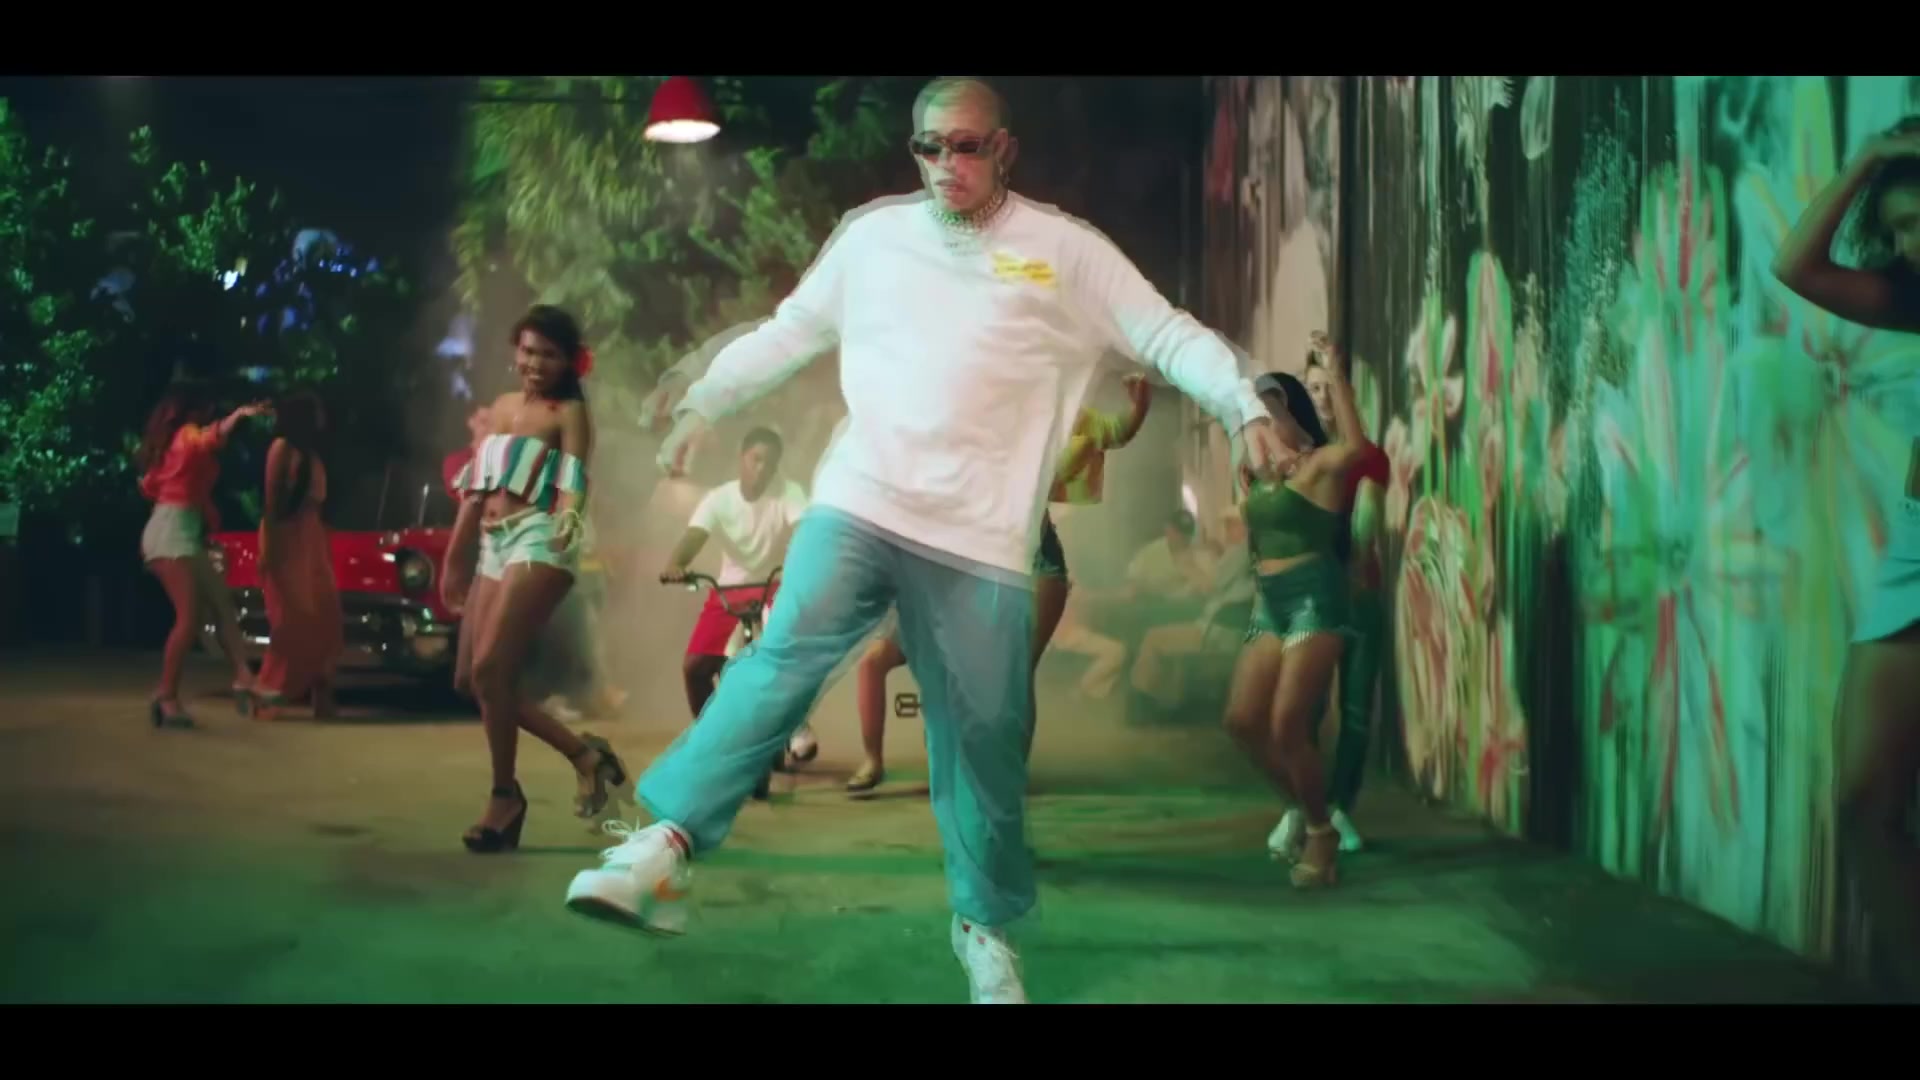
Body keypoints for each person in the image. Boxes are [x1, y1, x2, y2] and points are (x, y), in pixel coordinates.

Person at [561, 76, 1287, 1005]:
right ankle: (663, 848)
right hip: (860, 503)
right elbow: (787, 332)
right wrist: (705, 400)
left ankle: (985, 931)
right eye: (929, 146)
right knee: (782, 655)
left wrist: (1241, 403)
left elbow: (1168, 335)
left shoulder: (1066, 254)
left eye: (967, 145)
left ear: (1005, 149)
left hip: (984, 542)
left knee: (984, 738)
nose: (947, 163)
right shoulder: (873, 239)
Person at [1772, 117, 1920, 999]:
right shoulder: (1912, 298)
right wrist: (1868, 159)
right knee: (1865, 796)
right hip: (1915, 555)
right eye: (1899, 230)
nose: (1910, 247)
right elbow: (1796, 266)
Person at [847, 378, 1153, 794]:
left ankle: (1005, 772)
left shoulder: (1053, 424)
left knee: (1015, 670)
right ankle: (893, 759)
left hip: (1034, 565)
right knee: (902, 663)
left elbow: (1114, 431)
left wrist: (1138, 408)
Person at [441, 305, 630, 854]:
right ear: (514, 351)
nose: (535, 363)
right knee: (471, 681)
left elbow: (573, 481)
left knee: (490, 671)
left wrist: (569, 521)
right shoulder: (502, 407)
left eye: (548, 354)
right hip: (492, 543)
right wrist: (455, 557)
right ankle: (586, 757)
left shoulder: (569, 412)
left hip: (539, 536)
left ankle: (504, 797)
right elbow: (476, 488)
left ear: (569, 361)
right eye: (527, 351)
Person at [1221, 345, 1372, 889]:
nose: (1260, 421)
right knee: (1242, 721)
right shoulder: (1256, 475)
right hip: (1270, 601)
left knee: (1287, 724)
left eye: (1270, 410)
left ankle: (1320, 834)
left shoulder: (1319, 467)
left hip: (1315, 598)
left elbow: (1357, 448)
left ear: (1290, 411)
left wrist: (1336, 375)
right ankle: (1312, 813)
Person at [1267, 344, 1391, 855]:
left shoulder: (1365, 458)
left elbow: (1367, 525)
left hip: (1358, 596)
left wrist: (1353, 556)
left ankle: (1340, 809)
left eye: (1328, 387)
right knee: (1305, 712)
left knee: (1356, 712)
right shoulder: (1294, 459)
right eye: (1312, 388)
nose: (1320, 397)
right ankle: (1304, 807)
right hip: (1312, 599)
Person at [660, 426, 811, 797]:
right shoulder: (718, 499)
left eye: (769, 463)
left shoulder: (789, 492)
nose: (762, 469)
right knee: (695, 667)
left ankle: (794, 725)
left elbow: (804, 528)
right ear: (741, 458)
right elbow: (693, 537)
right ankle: (711, 741)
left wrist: (807, 554)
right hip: (729, 590)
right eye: (756, 459)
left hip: (774, 585)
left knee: (779, 650)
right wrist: (676, 564)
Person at [136, 381, 270, 727]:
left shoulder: (171, 444)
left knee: (222, 604)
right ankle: (166, 695)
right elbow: (208, 438)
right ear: (194, 409)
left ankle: (244, 676)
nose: (211, 412)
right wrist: (238, 416)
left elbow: (152, 486)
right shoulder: (187, 435)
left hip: (180, 530)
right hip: (171, 534)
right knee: (189, 618)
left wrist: (202, 510)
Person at [252, 391, 345, 721]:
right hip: (287, 537)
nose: (322, 417)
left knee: (326, 618)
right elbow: (272, 501)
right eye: (316, 411)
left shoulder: (312, 455)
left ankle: (322, 693)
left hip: (311, 540)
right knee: (291, 622)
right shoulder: (282, 449)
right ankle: (268, 692)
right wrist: (270, 549)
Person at [1128, 507, 1257, 711]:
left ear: (1246, 527)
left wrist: (1191, 568)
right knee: (1161, 632)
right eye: (1226, 525)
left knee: (1153, 637)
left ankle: (1143, 702)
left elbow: (1212, 585)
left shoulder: (1240, 552)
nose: (1227, 530)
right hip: (1222, 627)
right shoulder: (1251, 553)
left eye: (1232, 525)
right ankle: (1166, 699)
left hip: (1217, 631)